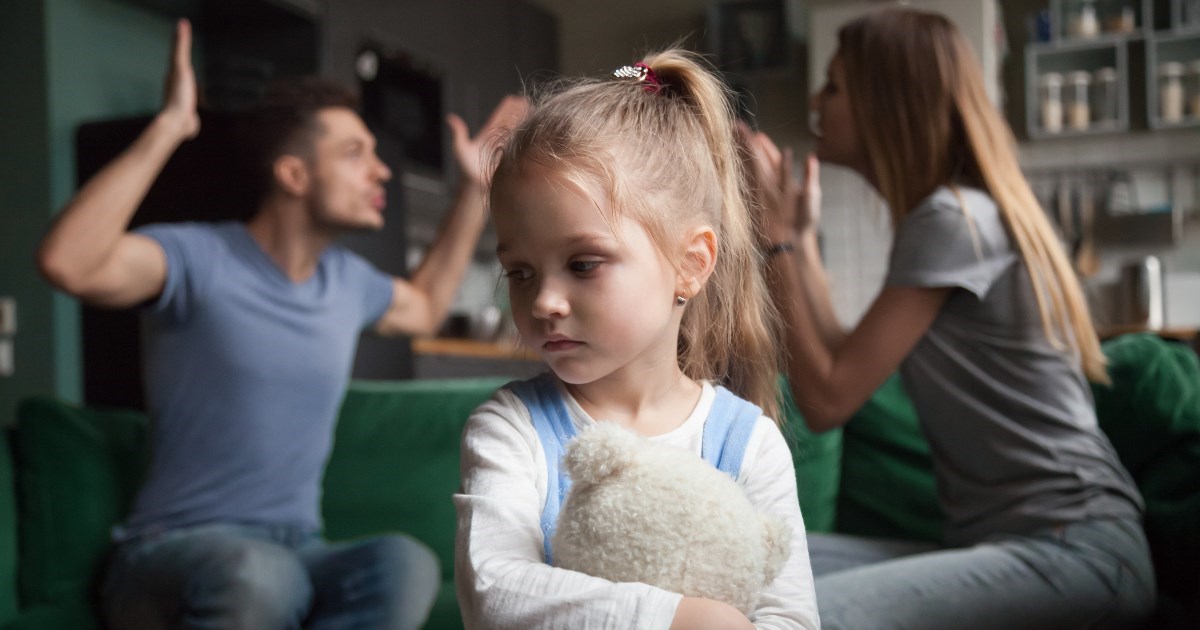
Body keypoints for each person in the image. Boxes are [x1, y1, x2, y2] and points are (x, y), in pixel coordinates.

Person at [37, 19, 527, 630]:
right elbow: (69, 263)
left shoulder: (346, 283)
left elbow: (425, 305)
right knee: (259, 575)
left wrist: (473, 190)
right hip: (166, 550)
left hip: (297, 546)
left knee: (403, 563)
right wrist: (169, 128)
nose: (380, 172)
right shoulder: (198, 259)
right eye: (355, 154)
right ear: (293, 175)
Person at [741, 7, 1155, 630]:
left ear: (887, 104)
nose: (817, 101)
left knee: (795, 616)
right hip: (1007, 547)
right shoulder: (946, 217)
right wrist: (796, 233)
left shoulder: (951, 219)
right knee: (747, 566)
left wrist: (774, 239)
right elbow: (833, 354)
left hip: (1078, 551)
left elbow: (826, 397)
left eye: (834, 85)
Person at [452, 50, 820, 630]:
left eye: (584, 263)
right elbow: (495, 591)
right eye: (520, 272)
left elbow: (791, 619)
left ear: (690, 264)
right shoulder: (511, 427)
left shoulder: (749, 444)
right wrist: (680, 619)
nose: (544, 301)